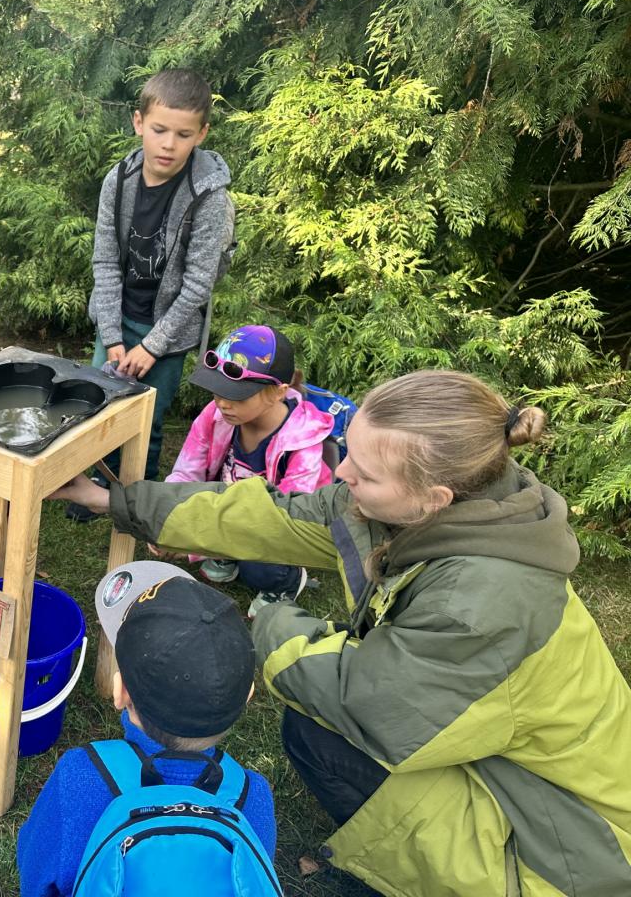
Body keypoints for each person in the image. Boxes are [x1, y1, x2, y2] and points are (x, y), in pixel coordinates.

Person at [53, 369, 631, 896]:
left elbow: (369, 704)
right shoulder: (428, 505)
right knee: (316, 724)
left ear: (433, 498)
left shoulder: (476, 605)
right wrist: (116, 500)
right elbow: (268, 515)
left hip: (562, 852)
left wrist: (270, 621)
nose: (343, 472)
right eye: (349, 451)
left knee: (320, 727)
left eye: (365, 473)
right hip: (497, 760)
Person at [17, 562, 276, 897]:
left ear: (120, 692)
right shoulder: (253, 795)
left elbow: (35, 875)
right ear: (248, 697)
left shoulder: (79, 774)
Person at [82, 67, 234, 490]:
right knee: (99, 405)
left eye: (183, 135)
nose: (169, 144)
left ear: (202, 133)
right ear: (139, 123)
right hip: (118, 318)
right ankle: (96, 483)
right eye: (159, 130)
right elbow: (105, 262)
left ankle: (138, 495)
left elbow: (199, 284)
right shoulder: (118, 181)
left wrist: (152, 346)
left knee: (146, 419)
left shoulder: (209, 195)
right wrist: (112, 336)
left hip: (169, 332)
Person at [165, 324, 334, 615]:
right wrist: (169, 519)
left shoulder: (303, 443)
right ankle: (227, 551)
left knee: (259, 568)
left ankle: (285, 581)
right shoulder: (215, 415)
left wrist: (201, 540)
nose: (222, 403)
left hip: (279, 525)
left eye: (238, 396)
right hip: (230, 507)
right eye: (218, 390)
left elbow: (281, 521)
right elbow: (187, 472)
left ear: (278, 392)